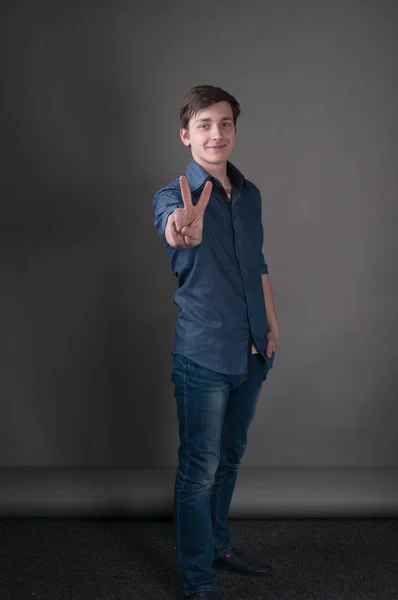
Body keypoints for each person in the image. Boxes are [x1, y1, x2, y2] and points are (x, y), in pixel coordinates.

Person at [153, 85, 279, 599]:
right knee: (198, 471)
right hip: (203, 355)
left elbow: (258, 263)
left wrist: (272, 323)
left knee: (229, 459)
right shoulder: (171, 197)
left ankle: (220, 545)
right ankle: (198, 578)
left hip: (253, 350)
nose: (216, 133)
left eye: (225, 123)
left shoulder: (250, 195)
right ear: (186, 135)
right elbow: (173, 230)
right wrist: (181, 230)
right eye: (204, 124)